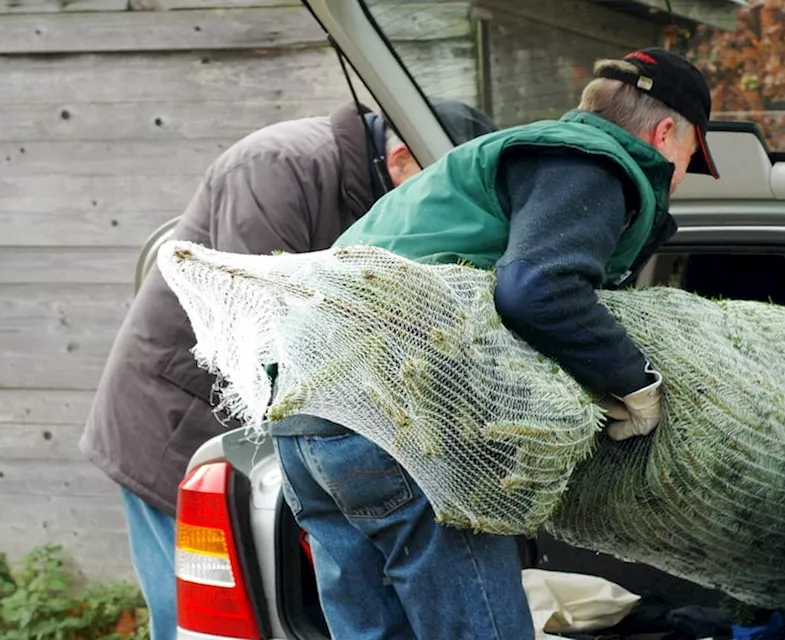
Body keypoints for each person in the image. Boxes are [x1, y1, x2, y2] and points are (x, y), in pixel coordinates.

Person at [269, 48, 719, 640]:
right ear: (665, 133)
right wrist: (635, 380)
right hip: (399, 421)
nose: (680, 178)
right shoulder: (587, 164)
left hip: (305, 414)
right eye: (689, 158)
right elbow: (537, 288)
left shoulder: (489, 165)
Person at [80, 98, 496, 640]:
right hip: (177, 424)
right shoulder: (276, 167)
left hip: (258, 425)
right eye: (440, 188)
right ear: (400, 159)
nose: (442, 208)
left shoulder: (374, 187)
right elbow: (259, 322)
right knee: (196, 617)